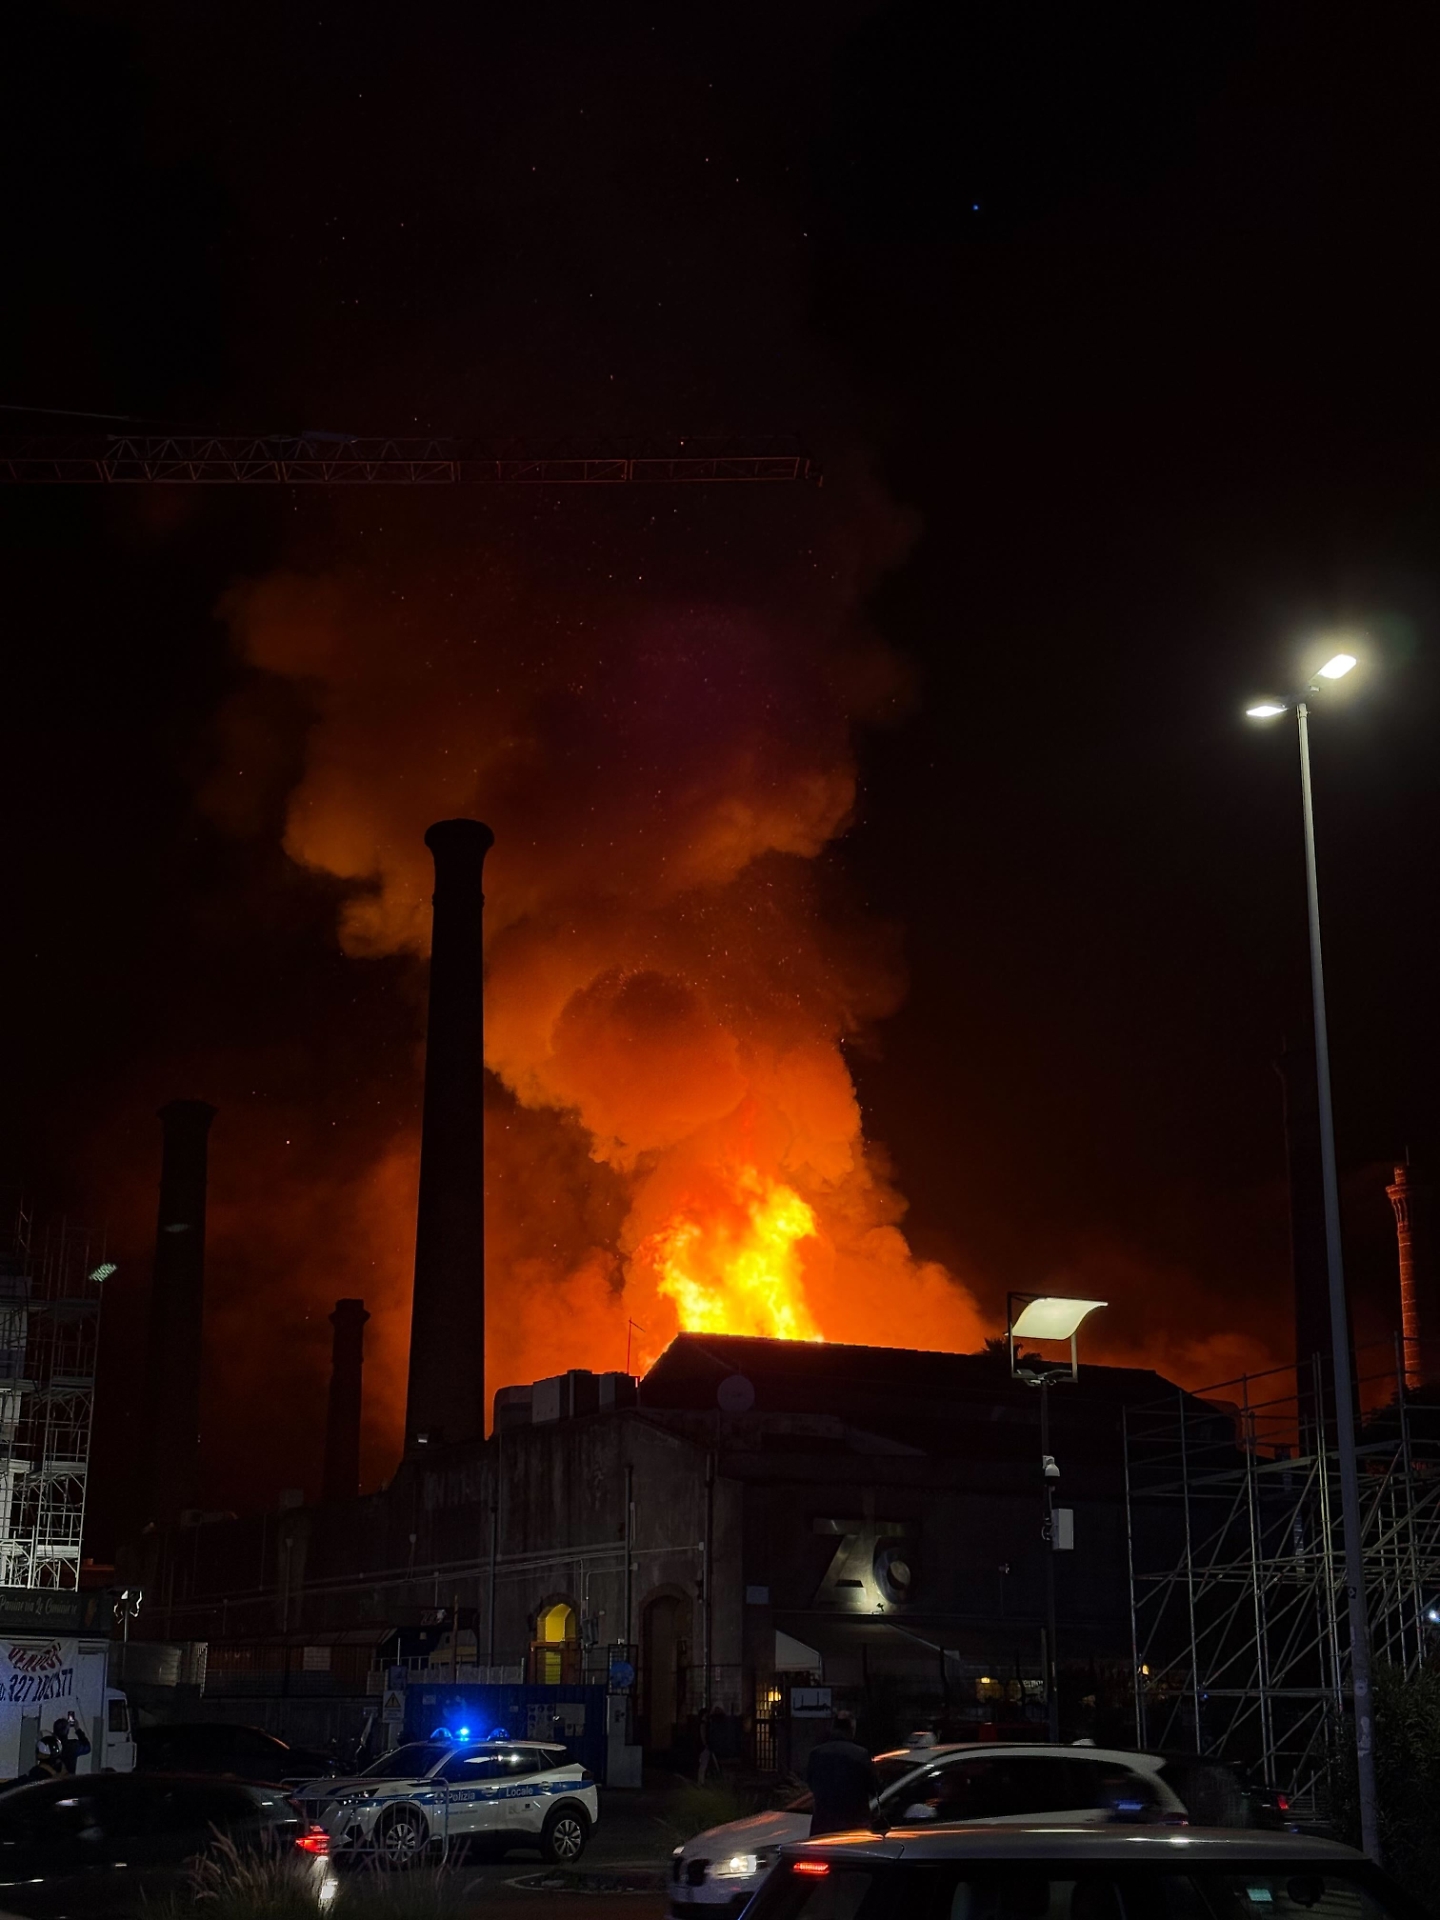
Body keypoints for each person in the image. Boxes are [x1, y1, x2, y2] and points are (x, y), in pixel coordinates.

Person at [805, 1711, 878, 1837]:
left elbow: (810, 1783)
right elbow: (875, 1788)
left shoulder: (816, 1754)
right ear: (852, 1729)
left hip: (823, 1825)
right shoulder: (861, 1754)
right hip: (854, 1826)